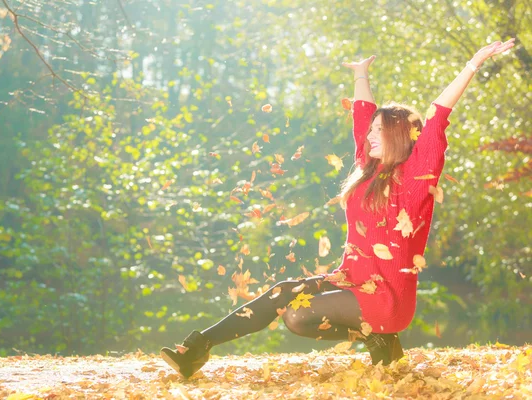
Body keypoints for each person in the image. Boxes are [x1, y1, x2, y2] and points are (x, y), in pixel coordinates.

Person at [160, 38, 515, 379]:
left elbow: (438, 116)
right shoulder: (369, 167)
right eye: (372, 130)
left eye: (380, 131)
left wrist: (472, 65)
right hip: (352, 280)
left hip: (386, 297)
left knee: (299, 315)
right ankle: (196, 350)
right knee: (285, 296)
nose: (371, 136)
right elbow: (361, 118)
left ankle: (380, 336)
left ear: (400, 137)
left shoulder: (416, 178)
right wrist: (361, 74)